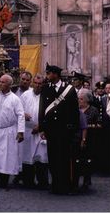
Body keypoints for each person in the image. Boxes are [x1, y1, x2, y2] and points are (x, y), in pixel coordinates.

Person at [38, 64, 80, 195]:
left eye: (48, 73)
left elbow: (74, 111)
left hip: (65, 131)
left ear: (55, 74)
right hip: (51, 130)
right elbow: (42, 109)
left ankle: (66, 185)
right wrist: (42, 128)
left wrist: (73, 129)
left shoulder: (69, 89)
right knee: (53, 158)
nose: (47, 76)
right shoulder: (45, 89)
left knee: (65, 158)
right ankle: (55, 184)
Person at [0, 74, 25, 189]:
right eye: (0, 82)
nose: (0, 84)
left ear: (9, 85)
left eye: (3, 82)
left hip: (8, 131)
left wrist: (20, 131)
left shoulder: (15, 99)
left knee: (6, 157)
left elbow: (21, 115)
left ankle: (3, 181)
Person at [20, 74, 49, 189]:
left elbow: (50, 114)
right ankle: (28, 182)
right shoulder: (25, 95)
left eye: (40, 83)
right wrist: (23, 114)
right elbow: (18, 110)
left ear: (43, 84)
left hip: (41, 131)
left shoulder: (46, 96)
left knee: (42, 157)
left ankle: (43, 182)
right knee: (27, 157)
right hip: (28, 130)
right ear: (32, 83)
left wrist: (41, 126)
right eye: (35, 83)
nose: (37, 86)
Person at [76, 89, 100, 190]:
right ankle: (75, 179)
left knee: (87, 160)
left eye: (81, 99)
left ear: (87, 100)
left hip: (90, 138)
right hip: (76, 138)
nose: (79, 101)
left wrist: (86, 126)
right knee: (77, 159)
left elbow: (98, 124)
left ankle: (87, 179)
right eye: (78, 99)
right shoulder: (75, 109)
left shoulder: (93, 110)